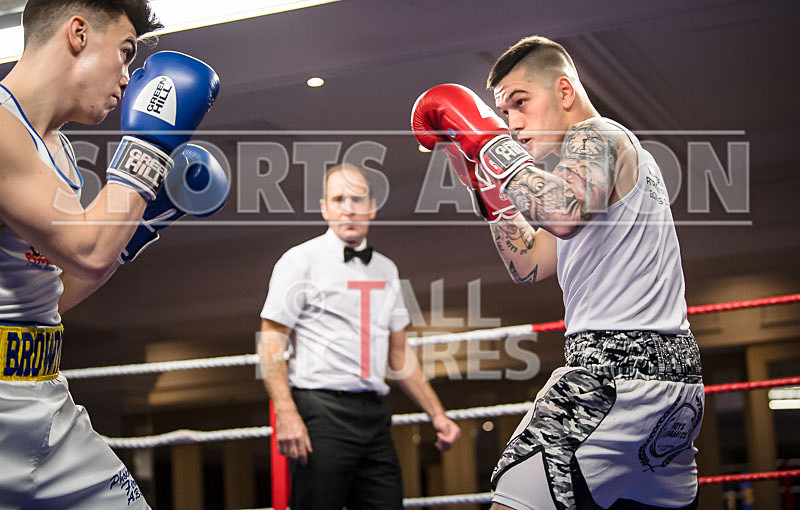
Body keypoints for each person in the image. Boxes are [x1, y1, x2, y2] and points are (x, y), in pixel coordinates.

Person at [412, 35, 703, 510]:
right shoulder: (603, 170)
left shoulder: (598, 135)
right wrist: (485, 186)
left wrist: (490, 147)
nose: (513, 123)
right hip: (673, 387)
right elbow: (528, 263)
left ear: (564, 92)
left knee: (511, 501)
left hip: (611, 378)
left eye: (521, 103)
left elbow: (562, 212)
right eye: (503, 114)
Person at [0, 1, 223, 508]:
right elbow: (88, 249)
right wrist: (148, 144)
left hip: (44, 400)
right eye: (125, 53)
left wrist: (142, 224)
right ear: (78, 33)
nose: (128, 78)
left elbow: (53, 292)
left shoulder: (58, 152)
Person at [258, 163, 462, 510]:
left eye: (357, 198)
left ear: (372, 207)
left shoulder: (387, 269)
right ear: (325, 208)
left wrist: (437, 414)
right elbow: (272, 338)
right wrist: (286, 413)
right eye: (339, 199)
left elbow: (399, 354)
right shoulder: (299, 261)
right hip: (320, 411)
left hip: (373, 415)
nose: (348, 207)